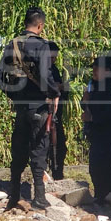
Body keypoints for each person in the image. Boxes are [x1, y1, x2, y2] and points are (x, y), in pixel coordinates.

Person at [0, 7, 61, 211]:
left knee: (19, 150)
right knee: (39, 150)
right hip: (39, 106)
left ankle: (14, 195)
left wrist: (12, 94)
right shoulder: (42, 46)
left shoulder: (11, 44)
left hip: (21, 107)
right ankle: (39, 198)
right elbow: (44, 75)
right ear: (40, 25)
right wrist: (54, 93)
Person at [81, 56, 111, 204]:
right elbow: (86, 104)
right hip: (96, 132)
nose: (94, 72)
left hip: (108, 132)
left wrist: (92, 118)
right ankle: (100, 194)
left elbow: (110, 112)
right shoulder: (94, 85)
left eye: (96, 69)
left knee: (103, 165)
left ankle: (106, 196)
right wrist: (84, 101)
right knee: (95, 165)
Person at [47, 41, 68, 181]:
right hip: (46, 115)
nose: (53, 59)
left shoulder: (53, 69)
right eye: (51, 57)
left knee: (60, 148)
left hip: (55, 116)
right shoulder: (43, 70)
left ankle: (57, 174)